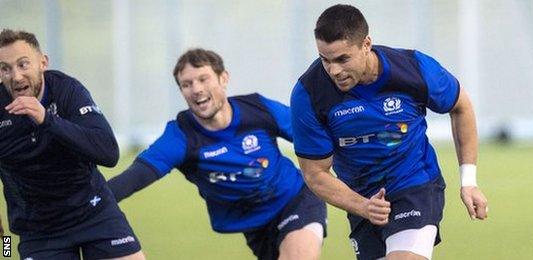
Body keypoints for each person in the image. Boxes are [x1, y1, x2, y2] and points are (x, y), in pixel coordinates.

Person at [290, 4, 488, 260]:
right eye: (325, 60)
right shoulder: (309, 94)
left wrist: (469, 181)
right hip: (362, 200)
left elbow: (461, 106)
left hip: (415, 184)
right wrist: (364, 206)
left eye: (342, 59)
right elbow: (315, 173)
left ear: (366, 44)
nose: (334, 70)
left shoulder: (413, 69)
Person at [107, 48, 327, 260]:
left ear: (223, 78)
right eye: (187, 84)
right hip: (254, 225)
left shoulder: (258, 109)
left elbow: (312, 135)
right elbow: (135, 177)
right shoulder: (181, 136)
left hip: (296, 198)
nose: (196, 89)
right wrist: (89, 201)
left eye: (203, 79)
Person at [0, 29, 144, 259]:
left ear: (42, 63)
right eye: (5, 68)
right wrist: (5, 243)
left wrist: (47, 120)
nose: (16, 76)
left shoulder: (68, 91)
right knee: (6, 251)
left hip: (95, 212)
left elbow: (108, 152)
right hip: (38, 230)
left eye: (23, 64)